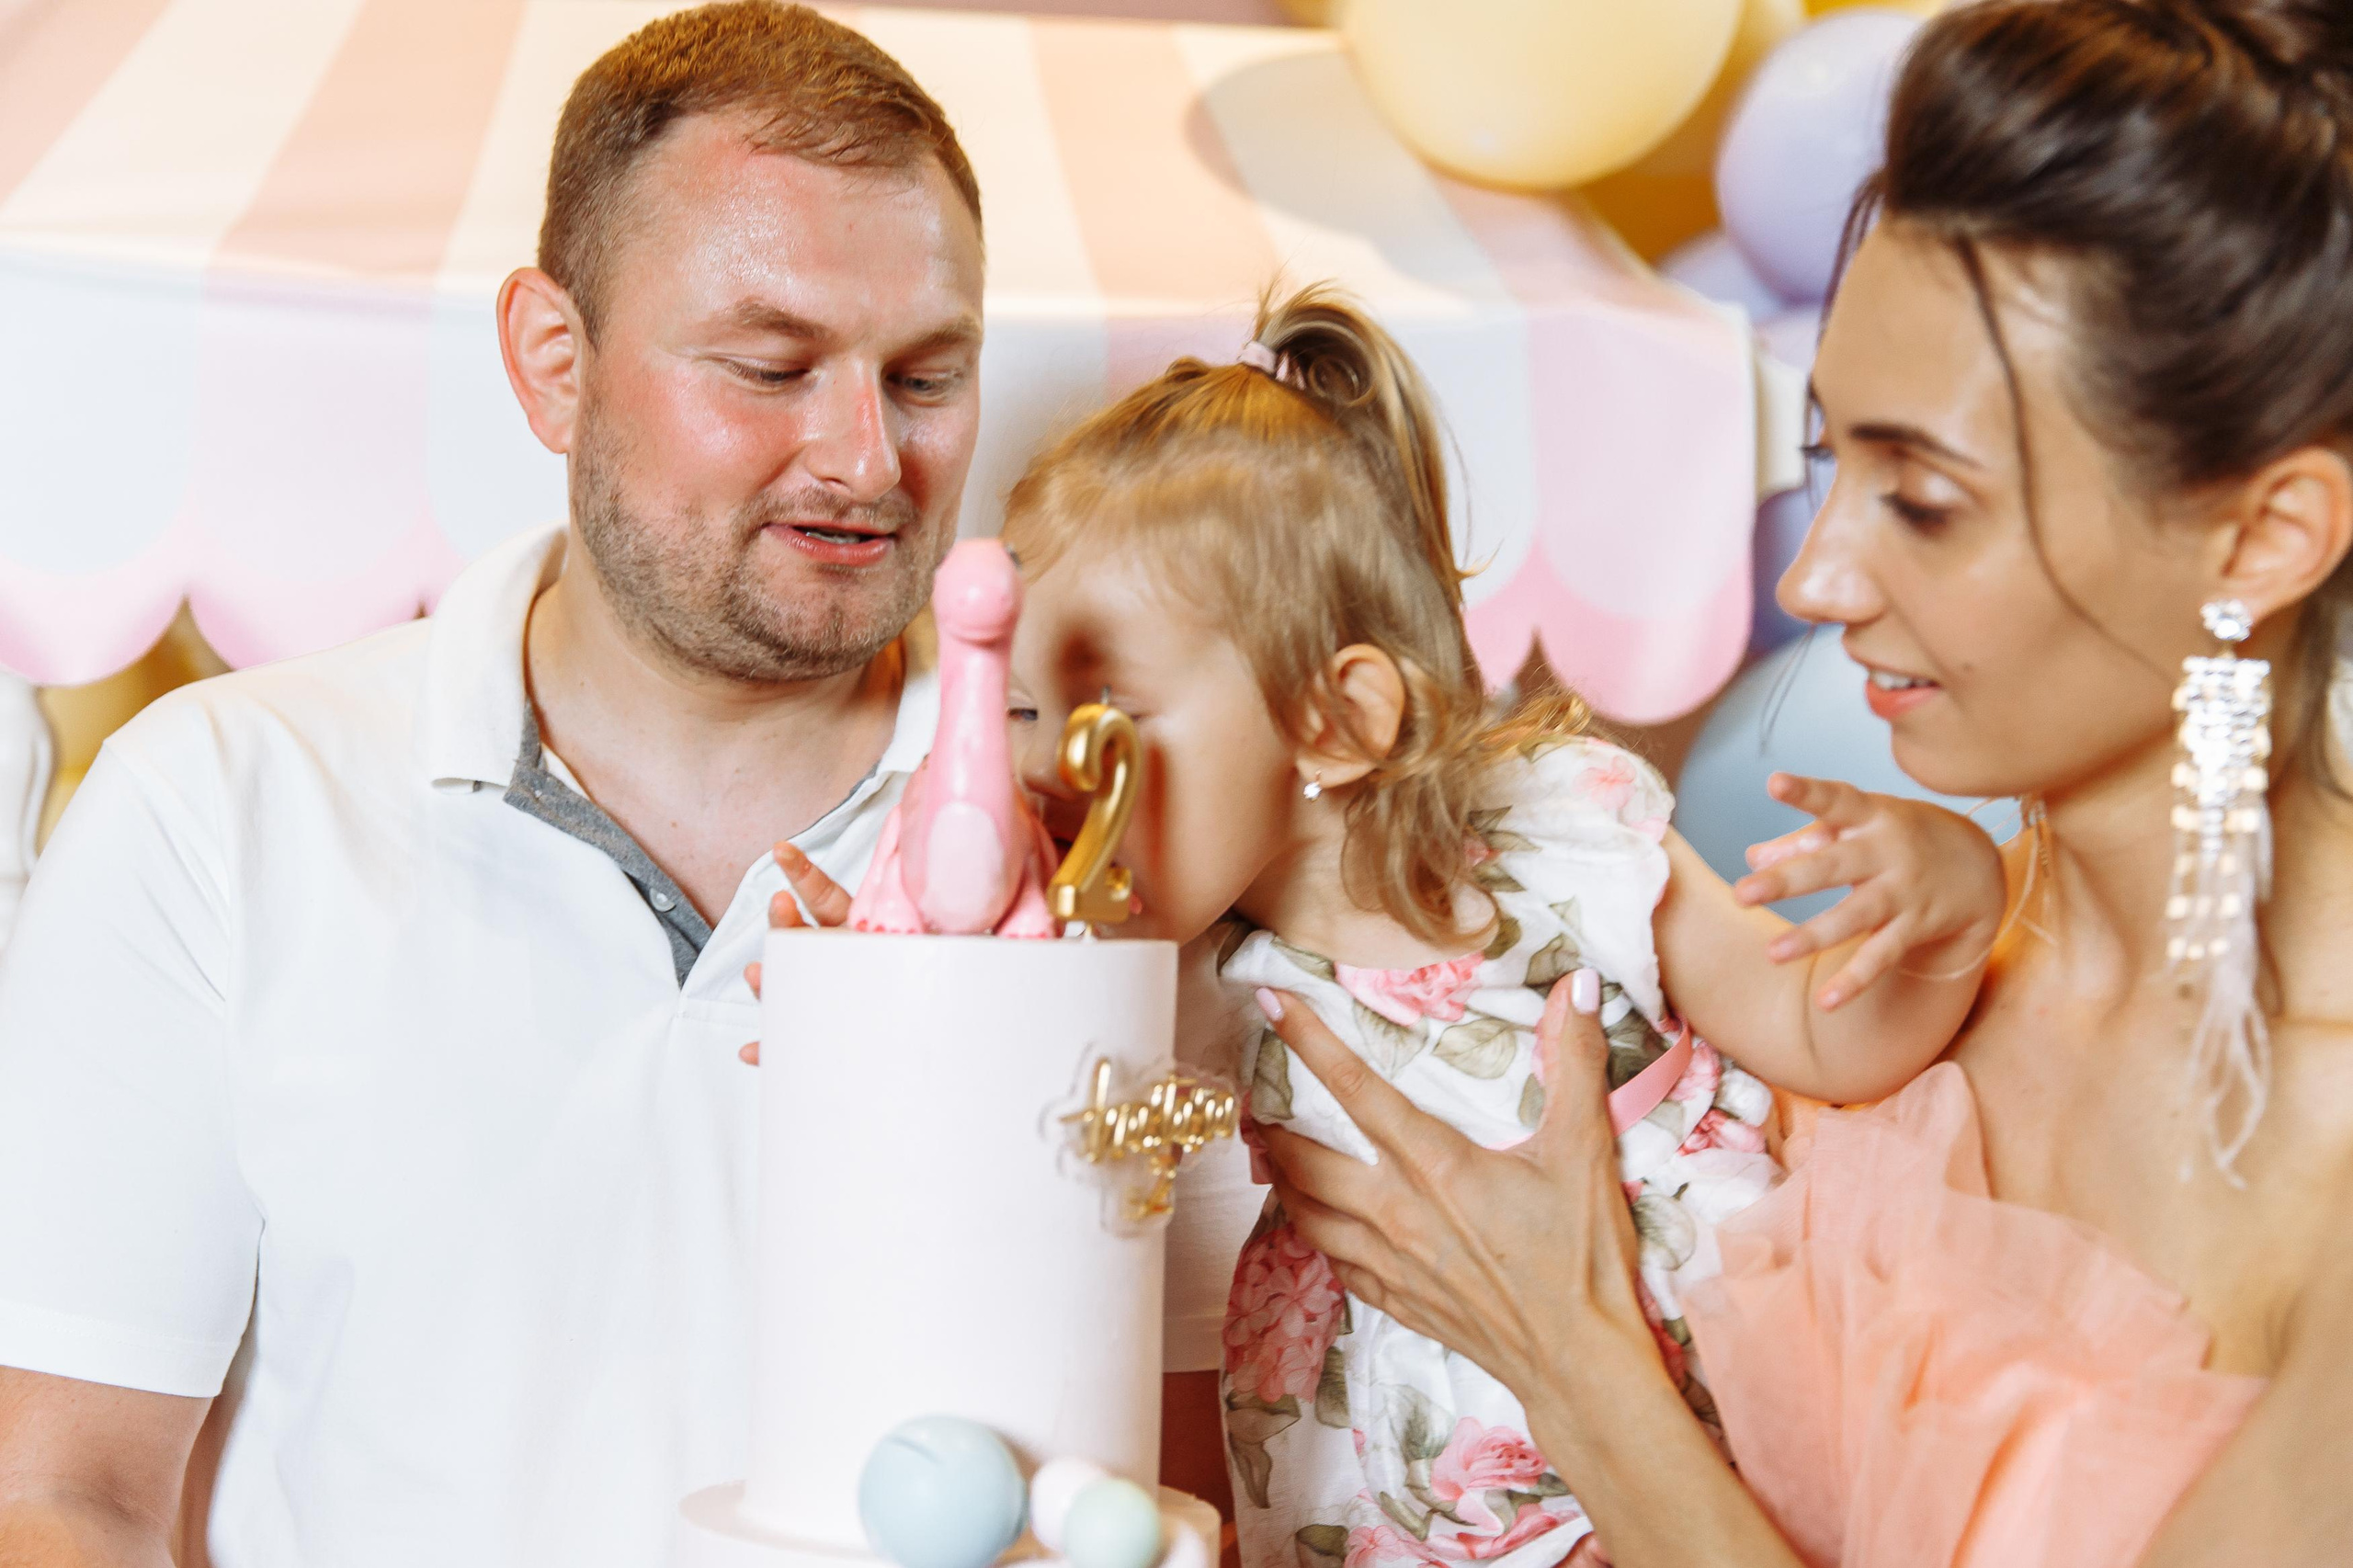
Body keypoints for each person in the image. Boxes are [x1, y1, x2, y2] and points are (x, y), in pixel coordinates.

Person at [1252, 2, 2353, 1564]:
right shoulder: (1898, 951)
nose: (1824, 575)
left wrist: (1572, 1358)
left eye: (1926, 499)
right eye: (1833, 460)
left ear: (2262, 540)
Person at [0, 6, 1010, 1564]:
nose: (867, 456)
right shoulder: (219, 809)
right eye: (772, 364)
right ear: (555, 361)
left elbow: (1179, 1451)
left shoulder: (1093, 846)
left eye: (929, 375)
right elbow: (71, 1495)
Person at [987, 282, 1999, 1568]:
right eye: (1023, 711)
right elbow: (1026, 1128)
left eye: (1105, 708)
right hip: (1399, 1503)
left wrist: (1944, 911)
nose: (1057, 771)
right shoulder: (1181, 979)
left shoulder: (1573, 832)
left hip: (1704, 1449)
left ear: (1335, 721)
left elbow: (1829, 1041)